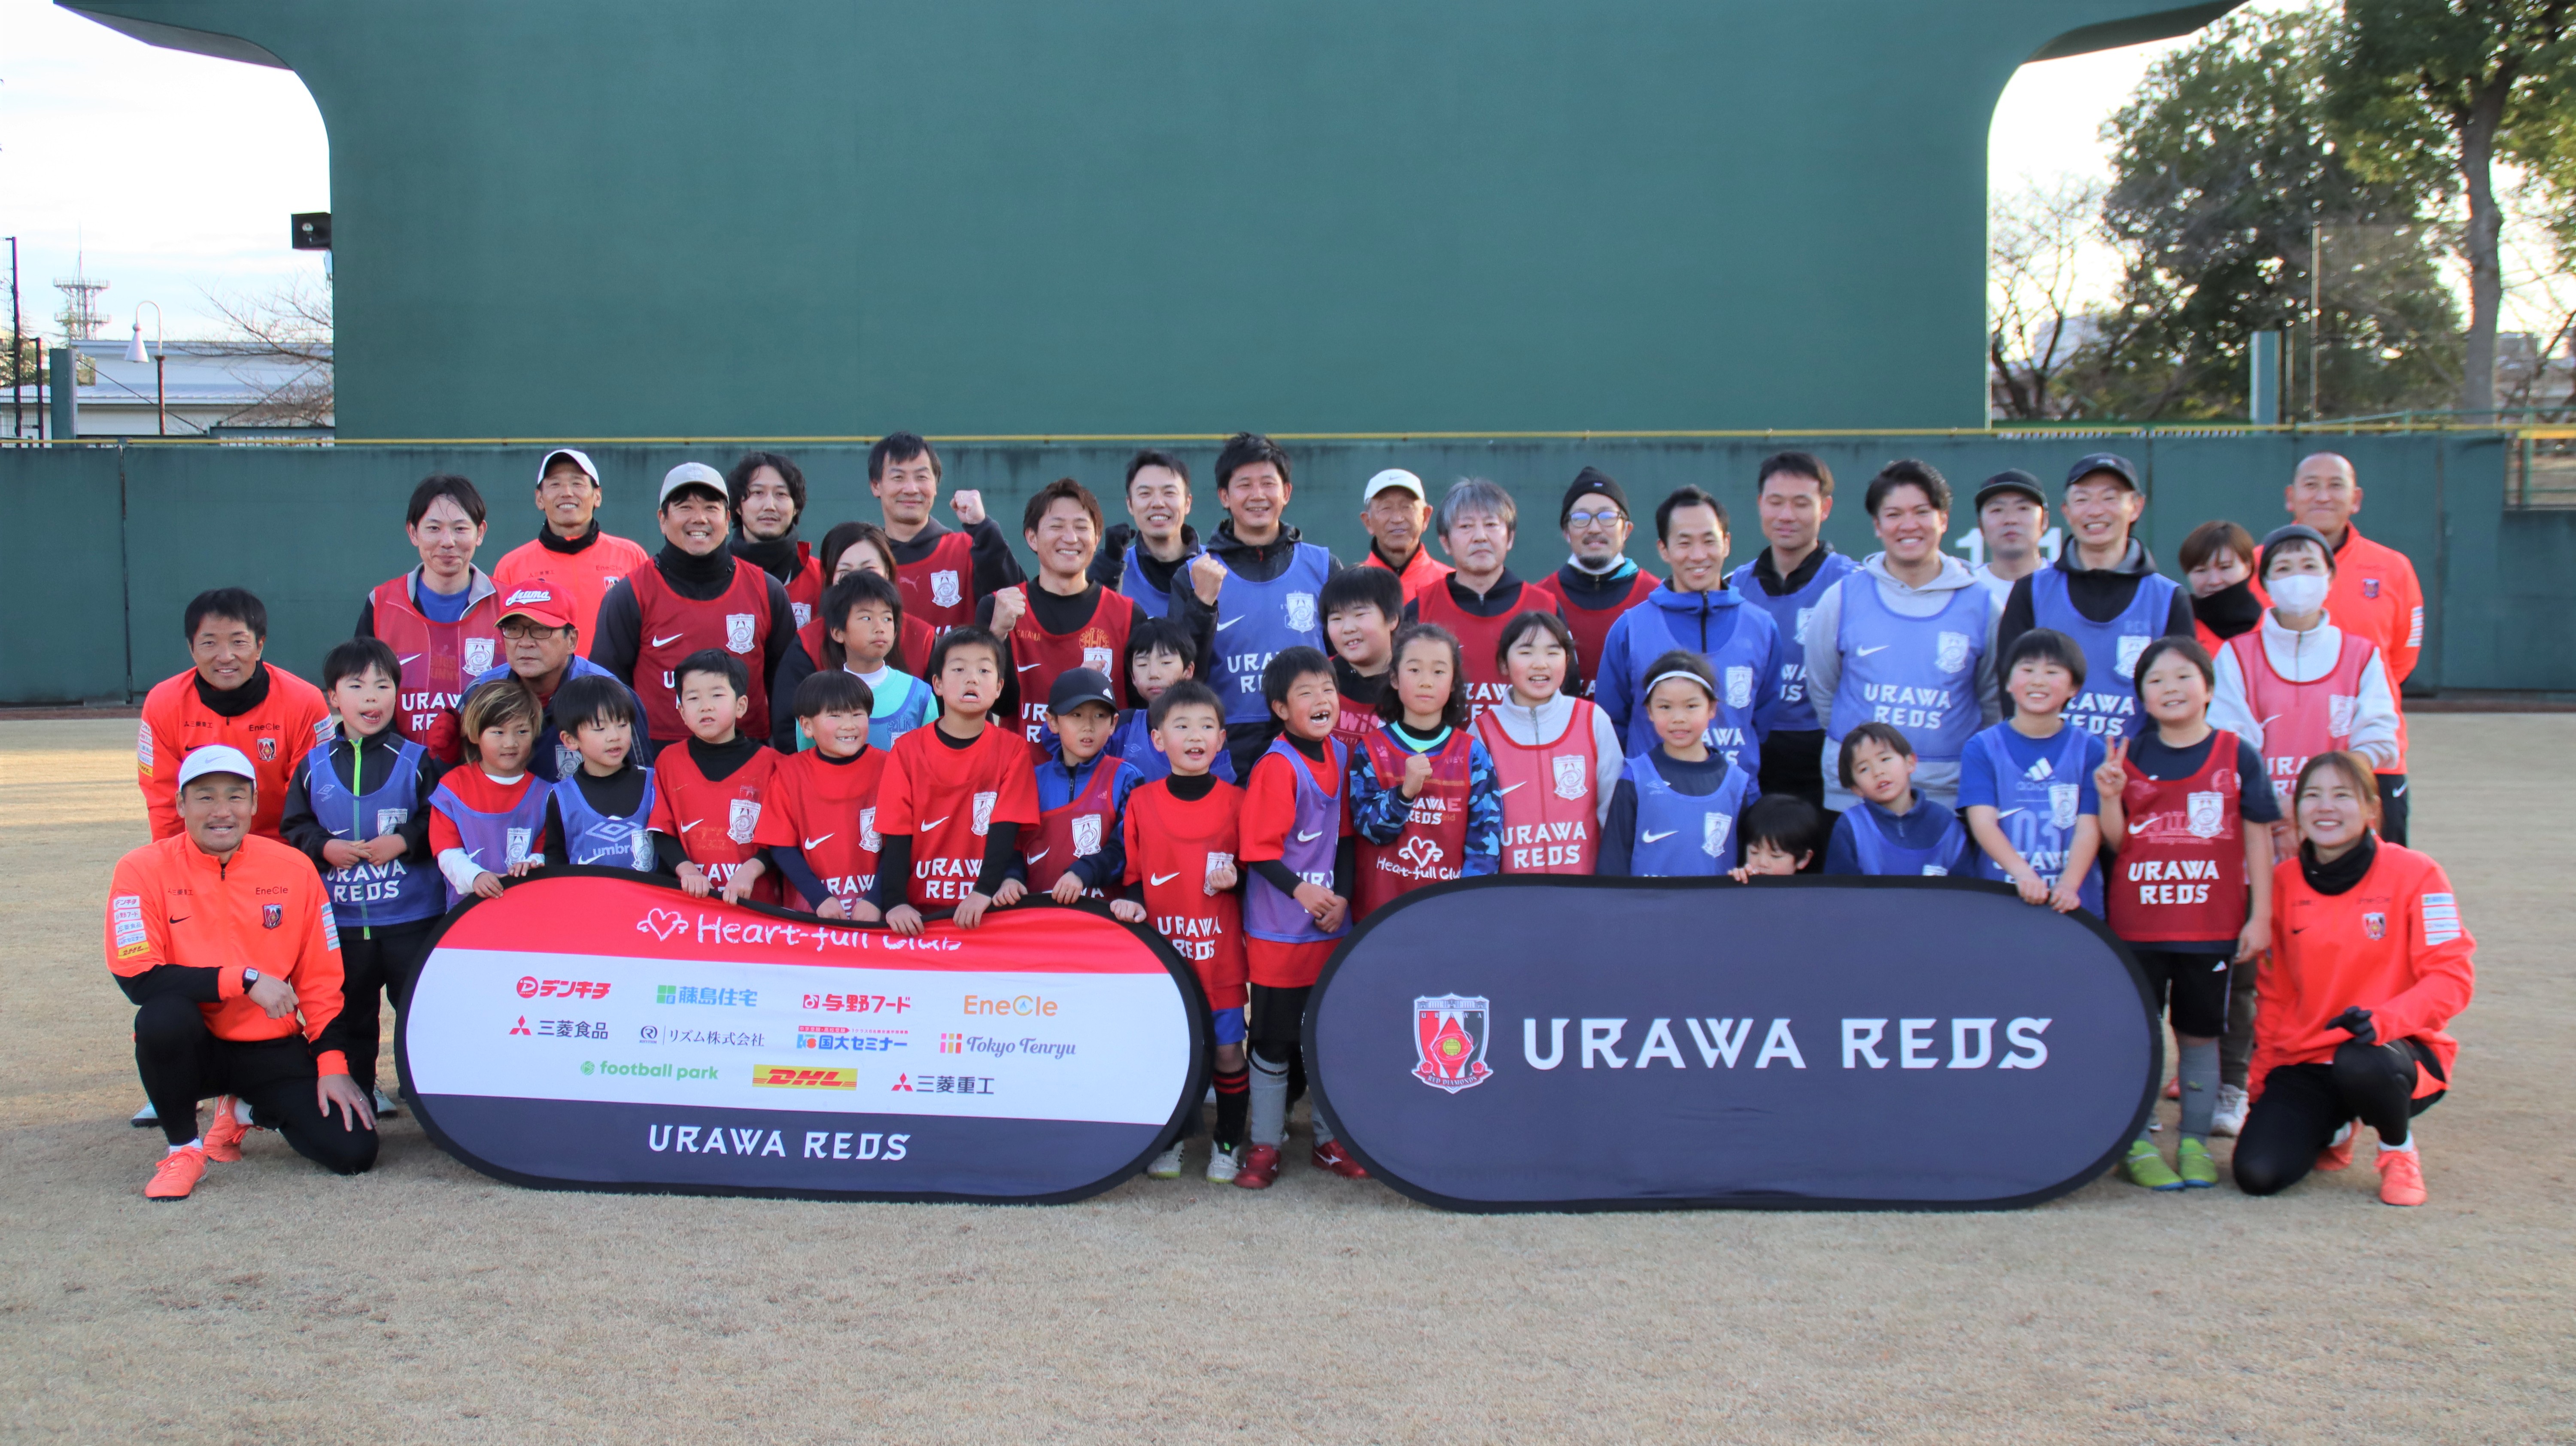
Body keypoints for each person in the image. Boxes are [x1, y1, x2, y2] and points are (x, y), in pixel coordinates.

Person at [108, 745, 376, 1200]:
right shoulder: (141, 869)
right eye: (205, 797)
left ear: (254, 804)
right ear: (180, 805)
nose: (221, 811)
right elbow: (138, 978)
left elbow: (321, 978)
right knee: (161, 1017)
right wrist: (244, 979)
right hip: (194, 1047)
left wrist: (332, 1064)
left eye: (235, 796)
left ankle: (242, 1109)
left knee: (354, 1151)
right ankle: (184, 1150)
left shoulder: (294, 868)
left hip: (269, 1045)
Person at [2233, 753, 2473, 1207]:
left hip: (2395, 1055)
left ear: (2370, 809)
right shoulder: (2281, 883)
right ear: (2296, 809)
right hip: (2310, 1060)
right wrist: (2261, 1085)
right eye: (2313, 795)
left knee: (2362, 1059)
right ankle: (2338, 1127)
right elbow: (2275, 994)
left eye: (2342, 795)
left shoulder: (2420, 873)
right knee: (2256, 1172)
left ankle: (2397, 1149)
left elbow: (2452, 977)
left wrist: (2385, 1020)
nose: (2326, 807)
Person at [2095, 637, 2279, 1182]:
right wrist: (2109, 796)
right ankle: (2139, 1142)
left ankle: (2195, 1141)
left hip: (2210, 926)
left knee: (2199, 1033)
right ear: (2142, 697)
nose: (2170, 688)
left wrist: (2260, 914)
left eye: (2182, 676)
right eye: (2155, 680)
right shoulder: (2129, 754)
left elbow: (2258, 841)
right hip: (2139, 925)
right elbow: (2116, 843)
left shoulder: (2237, 752)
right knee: (2141, 1030)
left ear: (2208, 687)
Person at [280, 638, 446, 1118]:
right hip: (344, 923)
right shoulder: (312, 767)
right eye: (356, 686)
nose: (371, 697)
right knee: (352, 1010)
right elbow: (295, 826)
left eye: (383, 685)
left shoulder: (417, 760)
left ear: (398, 692)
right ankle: (361, 1086)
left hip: (411, 916)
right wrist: (324, 847)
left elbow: (440, 821)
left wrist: (406, 840)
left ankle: (427, 1088)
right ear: (333, 697)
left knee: (418, 1006)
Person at [1803, 460, 2002, 812]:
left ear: (1943, 519)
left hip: (1947, 800)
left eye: (1922, 512)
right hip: (1854, 799)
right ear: (1878, 526)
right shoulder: (1843, 598)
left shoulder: (1983, 605)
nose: (1908, 526)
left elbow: (1992, 703)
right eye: (1894, 514)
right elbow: (1824, 693)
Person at [1115, 680, 1252, 1184]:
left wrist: (1237, 879)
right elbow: (1131, 877)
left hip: (1219, 958)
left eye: (1207, 726)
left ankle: (1228, 1142)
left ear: (1221, 740)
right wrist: (1130, 903)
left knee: (1226, 1050)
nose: (1195, 735)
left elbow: (1257, 874)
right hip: (1166, 960)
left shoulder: (1239, 802)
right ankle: (1169, 1138)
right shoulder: (1142, 802)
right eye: (1182, 725)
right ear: (1157, 739)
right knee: (1171, 1049)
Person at [1236, 647, 1362, 1188]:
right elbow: (1257, 852)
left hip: (1329, 927)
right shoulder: (1276, 765)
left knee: (1328, 1036)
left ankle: (1330, 1143)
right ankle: (1263, 1147)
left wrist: (1342, 900)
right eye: (1306, 692)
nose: (1322, 700)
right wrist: (1306, 891)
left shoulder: (1341, 753)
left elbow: (1349, 841)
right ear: (1280, 708)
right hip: (1278, 933)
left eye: (1329, 689)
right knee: (1270, 1039)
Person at [2209, 525, 2401, 844]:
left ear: (2330, 578)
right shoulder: (2237, 655)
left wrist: (2310, 805)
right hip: (2264, 825)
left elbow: (2377, 740)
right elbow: (2230, 745)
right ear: (2266, 583)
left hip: (2338, 825)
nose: (2298, 578)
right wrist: (2274, 808)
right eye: (2284, 569)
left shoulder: (2362, 655)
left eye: (2310, 566)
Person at [2270, 452, 2425, 845]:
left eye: (2335, 485)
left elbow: (2402, 660)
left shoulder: (2393, 568)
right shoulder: (2261, 566)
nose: (2323, 496)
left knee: (2379, 882)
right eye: (2311, 485)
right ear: (2291, 497)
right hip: (2281, 762)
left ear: (2355, 499)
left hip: (2372, 760)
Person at [1170, 433, 1343, 778]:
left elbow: (1347, 658)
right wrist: (1203, 604)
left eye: (1268, 483)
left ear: (1287, 493)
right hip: (1225, 746)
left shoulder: (1323, 567)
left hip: (1309, 738)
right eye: (1244, 485)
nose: (1258, 495)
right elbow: (1181, 674)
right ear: (1224, 496)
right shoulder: (1195, 574)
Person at [592, 462, 796, 755]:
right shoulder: (630, 594)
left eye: (711, 508)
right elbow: (607, 689)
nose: (699, 519)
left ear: (727, 519)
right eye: (685, 507)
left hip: (750, 761)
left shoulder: (767, 591)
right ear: (662, 519)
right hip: (657, 762)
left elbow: (786, 690)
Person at [1996, 453, 2193, 744]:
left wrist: (2140, 764)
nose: (2095, 511)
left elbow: (2180, 697)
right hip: (2050, 770)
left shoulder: (2168, 598)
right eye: (2082, 499)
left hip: (2136, 773)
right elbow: (2009, 688)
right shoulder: (2032, 592)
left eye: (2110, 498)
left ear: (2136, 507)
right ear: (2066, 511)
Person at [868, 627, 1042, 935]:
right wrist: (895, 901)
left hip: (983, 911)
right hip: (919, 916)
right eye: (959, 669)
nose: (972, 678)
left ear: (1000, 687)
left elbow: (1006, 830)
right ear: (937, 683)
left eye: (984, 670)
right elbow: (896, 835)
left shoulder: (1013, 749)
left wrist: (984, 890)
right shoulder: (906, 751)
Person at [1594, 486, 1781, 772]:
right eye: (1684, 543)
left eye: (1709, 541)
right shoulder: (1630, 629)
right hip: (1653, 804)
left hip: (1737, 804)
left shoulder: (1761, 627)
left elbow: (1762, 722)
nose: (1698, 555)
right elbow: (1611, 727)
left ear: (1727, 544)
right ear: (1663, 549)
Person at [138, 587, 333, 844]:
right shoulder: (163, 703)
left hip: (283, 850)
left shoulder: (304, 702)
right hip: (199, 852)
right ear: (191, 648)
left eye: (238, 642)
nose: (226, 656)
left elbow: (314, 799)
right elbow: (164, 802)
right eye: (209, 643)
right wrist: (175, 866)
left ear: (259, 645)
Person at [1728, 452, 1861, 807]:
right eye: (1776, 502)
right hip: (1753, 758)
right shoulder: (1732, 588)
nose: (1786, 516)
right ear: (1760, 505)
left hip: (1828, 762)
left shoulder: (1854, 586)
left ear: (1826, 508)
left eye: (1802, 504)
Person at [978, 478, 1150, 744]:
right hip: (1025, 777)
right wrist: (996, 636)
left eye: (1082, 527)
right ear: (1032, 537)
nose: (1070, 538)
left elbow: (1142, 712)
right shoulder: (1000, 609)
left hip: (1103, 780)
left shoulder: (1128, 617)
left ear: (1096, 538)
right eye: (1056, 526)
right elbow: (1000, 705)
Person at [1349, 623, 1503, 914]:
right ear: (1394, 678)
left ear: (1455, 682)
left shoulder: (1472, 754)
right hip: (1380, 916)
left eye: (1439, 671)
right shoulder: (1370, 750)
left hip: (1448, 916)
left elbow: (1485, 843)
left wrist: (1465, 904)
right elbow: (1371, 829)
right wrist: (1405, 793)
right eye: (1415, 670)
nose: (1426, 682)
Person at [355, 474, 501, 762]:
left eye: (460, 529)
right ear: (413, 533)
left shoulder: (508, 607)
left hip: (485, 775)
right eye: (434, 528)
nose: (447, 542)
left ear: (480, 533)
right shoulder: (382, 604)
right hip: (400, 772)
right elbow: (361, 693)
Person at [1959, 629, 2105, 915]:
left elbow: (2089, 826)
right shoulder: (1982, 747)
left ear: (2075, 686)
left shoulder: (2090, 749)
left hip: (2072, 902)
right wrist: (2022, 874)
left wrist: (2069, 885)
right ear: (2009, 682)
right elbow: (1983, 822)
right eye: (2027, 670)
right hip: (2002, 896)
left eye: (2053, 672)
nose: (2038, 680)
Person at [1405, 477, 1562, 724]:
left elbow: (1567, 700)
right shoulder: (1421, 609)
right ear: (1445, 542)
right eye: (1466, 527)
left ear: (1510, 538)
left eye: (1491, 525)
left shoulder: (1546, 608)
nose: (1480, 537)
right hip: (1444, 759)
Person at [455, 578, 641, 784]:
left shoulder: (610, 694)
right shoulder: (481, 691)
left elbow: (640, 784)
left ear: (571, 640)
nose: (525, 643)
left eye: (541, 630)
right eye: (513, 630)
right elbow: (457, 779)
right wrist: (448, 752)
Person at [1476, 611, 1620, 874]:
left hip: (1584, 895)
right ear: (1504, 664)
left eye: (1553, 652)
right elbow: (1477, 828)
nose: (1540, 664)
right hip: (1512, 898)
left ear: (1567, 661)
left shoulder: (1592, 720)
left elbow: (1613, 814)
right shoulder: (1483, 732)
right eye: (1526, 652)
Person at [1599, 652, 1760, 877]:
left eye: (1691, 706)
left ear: (1712, 709)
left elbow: (1749, 864)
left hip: (1713, 911)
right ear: (1650, 712)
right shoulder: (1635, 778)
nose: (1679, 718)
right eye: (1665, 707)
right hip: (1648, 911)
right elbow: (1613, 863)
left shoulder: (1735, 783)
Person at [646, 650, 782, 905]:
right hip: (691, 906)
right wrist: (686, 870)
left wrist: (751, 871)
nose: (705, 706)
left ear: (741, 705)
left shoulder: (774, 764)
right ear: (682, 711)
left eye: (717, 695)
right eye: (694, 698)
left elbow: (785, 837)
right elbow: (661, 831)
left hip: (758, 907)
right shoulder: (669, 761)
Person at [489, 447, 652, 655]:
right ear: (539, 498)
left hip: (614, 684)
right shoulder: (512, 565)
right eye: (555, 484)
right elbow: (503, 640)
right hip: (542, 685)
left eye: (577, 483)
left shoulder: (631, 556)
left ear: (597, 496)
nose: (567, 492)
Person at [753, 669, 887, 917]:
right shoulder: (789, 773)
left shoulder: (889, 768)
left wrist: (875, 900)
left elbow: (901, 844)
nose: (849, 725)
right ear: (806, 726)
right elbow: (781, 846)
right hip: (811, 914)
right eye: (835, 715)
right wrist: (820, 899)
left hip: (876, 913)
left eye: (857, 714)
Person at [867, 432, 1025, 631]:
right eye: (898, 477)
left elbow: (1018, 603)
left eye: (921, 477)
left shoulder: (968, 550)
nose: (911, 489)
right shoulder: (866, 559)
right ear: (876, 486)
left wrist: (984, 528)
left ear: (935, 486)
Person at [1528, 467, 1660, 700]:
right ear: (1566, 532)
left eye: (1607, 517)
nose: (1595, 528)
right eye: (1581, 519)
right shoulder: (1538, 600)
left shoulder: (1656, 597)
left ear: (1627, 530)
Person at [772, 571, 936, 753]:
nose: (880, 628)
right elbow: (808, 765)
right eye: (866, 618)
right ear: (837, 632)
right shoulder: (817, 697)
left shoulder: (920, 695)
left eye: (887, 619)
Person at [1017, 669, 1144, 904]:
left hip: (1103, 921)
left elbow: (1127, 850)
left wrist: (1083, 873)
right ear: (1052, 722)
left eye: (1099, 716)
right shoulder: (1030, 781)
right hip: (1038, 917)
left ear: (1114, 723)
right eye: (1076, 715)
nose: (1088, 726)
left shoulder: (1127, 778)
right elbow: (1014, 846)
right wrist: (1010, 878)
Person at [428, 678, 550, 905]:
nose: (511, 743)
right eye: (498, 733)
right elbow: (446, 851)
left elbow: (546, 849)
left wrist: (533, 864)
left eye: (522, 731)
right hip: (466, 916)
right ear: (475, 735)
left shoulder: (546, 794)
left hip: (527, 911)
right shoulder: (453, 788)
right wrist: (475, 877)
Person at [541, 674, 660, 875]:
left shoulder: (655, 784)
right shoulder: (561, 797)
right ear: (570, 740)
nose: (615, 737)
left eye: (622, 725)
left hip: (648, 904)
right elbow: (555, 858)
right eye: (600, 728)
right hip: (589, 903)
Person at [1822, 722, 1972, 876]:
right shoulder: (1852, 826)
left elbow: (1965, 892)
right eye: (1864, 769)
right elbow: (1839, 893)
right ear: (1856, 789)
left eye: (1885, 759)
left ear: (1910, 763)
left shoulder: (1945, 823)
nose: (1878, 772)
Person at [1106, 617, 1238, 785]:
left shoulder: (1208, 729)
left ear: (1188, 671)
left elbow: (1224, 794)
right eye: (1142, 664)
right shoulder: (1122, 726)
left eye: (1166, 662)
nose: (1154, 673)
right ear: (1132, 676)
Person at [812, 520, 938, 675]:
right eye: (845, 572)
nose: (859, 579)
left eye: (869, 569)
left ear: (888, 573)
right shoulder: (807, 643)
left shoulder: (924, 639)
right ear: (830, 578)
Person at [1094, 449, 1208, 619]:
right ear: (1130, 505)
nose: (1158, 503)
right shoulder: (1115, 572)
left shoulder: (1216, 567)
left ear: (1187, 503)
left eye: (1169, 493)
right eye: (1145, 494)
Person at [727, 451, 825, 629]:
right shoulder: (718, 574)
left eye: (781, 494)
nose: (770, 506)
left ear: (796, 508)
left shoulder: (821, 578)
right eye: (758, 493)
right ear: (738, 506)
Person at [1320, 565, 1403, 750]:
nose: (1348, 628)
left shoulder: (1413, 682)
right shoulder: (1316, 679)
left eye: (1360, 615)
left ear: (1392, 620)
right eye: (1336, 619)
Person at [1355, 468, 1451, 602]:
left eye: (1407, 507)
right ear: (1368, 522)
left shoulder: (1451, 585)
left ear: (1426, 516)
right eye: (1386, 508)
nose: (1397, 519)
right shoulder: (1351, 587)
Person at [2180, 519, 2265, 658]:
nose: (2214, 581)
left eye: (2225, 568)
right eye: (2201, 571)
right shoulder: (2178, 625)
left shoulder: (2274, 624)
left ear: (2248, 567)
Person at [1966, 470, 2050, 609]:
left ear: (2044, 520)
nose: (2011, 520)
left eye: (2023, 508)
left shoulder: (2064, 586)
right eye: (1997, 510)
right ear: (1981, 525)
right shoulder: (1967, 588)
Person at [1727, 793, 1826, 881]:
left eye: (1776, 856)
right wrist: (1737, 882)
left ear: (1804, 859)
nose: (1762, 863)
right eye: (1754, 852)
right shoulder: (1745, 883)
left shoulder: (1813, 896)